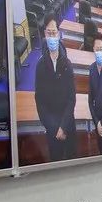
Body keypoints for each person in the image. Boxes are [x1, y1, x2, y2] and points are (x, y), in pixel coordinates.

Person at [33, 18, 77, 162]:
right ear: (45, 35)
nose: (52, 36)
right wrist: (54, 128)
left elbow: (71, 99)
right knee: (55, 161)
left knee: (72, 162)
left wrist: (63, 127)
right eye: (49, 33)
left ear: (58, 34)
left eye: (54, 33)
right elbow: (39, 101)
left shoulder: (67, 64)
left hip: (68, 124)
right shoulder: (40, 66)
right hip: (52, 129)